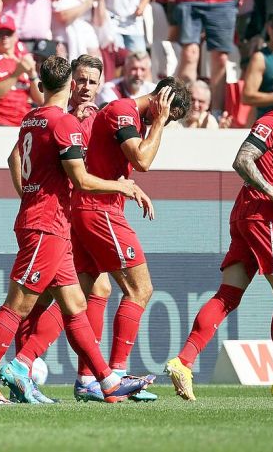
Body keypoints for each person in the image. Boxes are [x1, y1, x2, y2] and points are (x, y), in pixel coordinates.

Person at [0, 54, 155, 406]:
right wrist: (121, 186)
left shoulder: (31, 118)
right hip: (47, 225)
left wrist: (29, 194)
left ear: (40, 86)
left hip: (52, 223)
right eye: (79, 81)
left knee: (77, 302)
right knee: (17, 306)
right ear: (69, 85)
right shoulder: (63, 122)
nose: (84, 88)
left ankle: (106, 380)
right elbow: (80, 179)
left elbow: (14, 160)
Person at [166, 67, 273, 401]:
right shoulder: (271, 121)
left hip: (247, 213)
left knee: (228, 295)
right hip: (262, 215)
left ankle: (183, 362)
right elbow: (242, 160)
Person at [66, 76, 190, 401]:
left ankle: (87, 380)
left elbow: (115, 165)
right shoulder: (124, 111)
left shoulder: (126, 116)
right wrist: (160, 123)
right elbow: (143, 160)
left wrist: (132, 188)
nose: (166, 123)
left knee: (95, 290)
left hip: (91, 207)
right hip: (100, 210)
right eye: (170, 115)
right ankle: (117, 374)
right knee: (140, 289)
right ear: (163, 100)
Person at [0, 14, 41, 126]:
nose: (5, 37)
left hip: (24, 124)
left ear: (15, 36)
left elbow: (40, 99)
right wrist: (16, 74)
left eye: (8, 33)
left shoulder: (23, 60)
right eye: (0, 33)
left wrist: (32, 74)